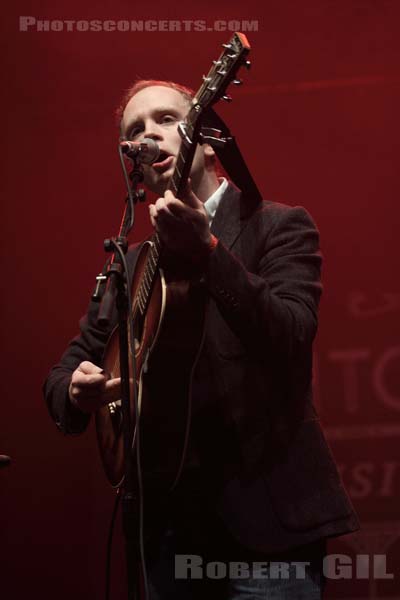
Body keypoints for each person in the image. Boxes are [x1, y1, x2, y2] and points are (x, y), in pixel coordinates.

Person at [44, 80, 359, 599]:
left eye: (166, 119)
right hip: (166, 533)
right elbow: (64, 372)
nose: (149, 135)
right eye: (135, 131)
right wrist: (76, 392)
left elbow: (290, 333)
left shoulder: (277, 226)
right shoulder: (131, 264)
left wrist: (209, 250)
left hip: (266, 534)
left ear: (207, 138)